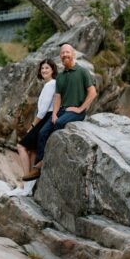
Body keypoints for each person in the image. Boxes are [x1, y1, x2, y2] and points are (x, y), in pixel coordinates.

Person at [23, 43, 98, 181]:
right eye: (62, 53)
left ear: (73, 54)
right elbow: (57, 97)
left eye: (67, 52)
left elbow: (92, 92)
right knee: (43, 132)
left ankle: (44, 162)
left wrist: (80, 108)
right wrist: (55, 113)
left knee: (59, 124)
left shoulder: (82, 71)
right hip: (63, 110)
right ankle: (40, 165)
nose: (65, 55)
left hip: (76, 112)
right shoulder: (61, 76)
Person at [9, 59, 57, 196]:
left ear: (53, 70)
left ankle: (26, 182)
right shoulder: (49, 84)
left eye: (47, 68)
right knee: (32, 151)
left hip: (45, 118)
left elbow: (42, 110)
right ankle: (29, 187)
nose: (44, 71)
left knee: (21, 146)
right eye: (42, 69)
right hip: (46, 118)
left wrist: (33, 125)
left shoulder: (51, 85)